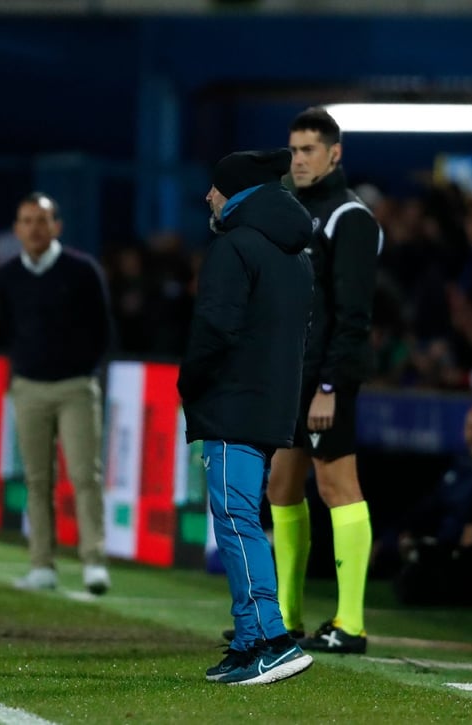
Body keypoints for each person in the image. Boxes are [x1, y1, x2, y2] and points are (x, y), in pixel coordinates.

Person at [178, 148, 314, 685]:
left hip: (233, 401)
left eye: (215, 187)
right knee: (241, 517)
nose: (208, 196)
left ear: (235, 191)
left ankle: (273, 640)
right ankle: (249, 641)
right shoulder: (296, 252)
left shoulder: (234, 246)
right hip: (272, 402)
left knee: (236, 519)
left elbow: (214, 329)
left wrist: (191, 384)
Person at [268, 107, 384, 654]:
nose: (298, 159)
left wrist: (331, 386)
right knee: (281, 486)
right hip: (292, 375)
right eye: (293, 150)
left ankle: (351, 624)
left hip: (325, 381)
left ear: (334, 154)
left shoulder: (349, 217)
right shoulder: (294, 210)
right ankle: (284, 619)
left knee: (338, 487)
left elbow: (354, 316)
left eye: (309, 150)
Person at [0, 192, 112, 596]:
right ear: (16, 229)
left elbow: (102, 329)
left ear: (57, 226)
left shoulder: (82, 271)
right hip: (28, 387)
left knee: (85, 476)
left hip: (75, 387)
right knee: (37, 479)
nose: (34, 229)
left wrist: (82, 368)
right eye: (27, 221)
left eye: (41, 220)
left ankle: (94, 561)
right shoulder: (7, 275)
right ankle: (41, 565)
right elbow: (7, 326)